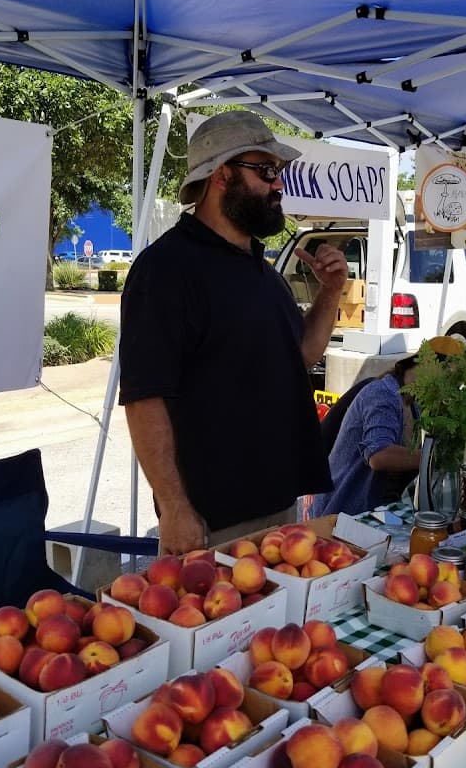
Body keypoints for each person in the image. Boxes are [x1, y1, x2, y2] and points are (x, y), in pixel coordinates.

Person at [118, 110, 348, 555]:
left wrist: (331, 293)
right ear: (222, 175)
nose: (278, 184)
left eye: (278, 172)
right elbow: (144, 398)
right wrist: (174, 507)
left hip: (278, 506)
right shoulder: (166, 269)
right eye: (265, 171)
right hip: (210, 521)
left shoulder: (262, 272)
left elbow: (300, 354)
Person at [311, 336, 464, 517]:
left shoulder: (414, 403)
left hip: (379, 513)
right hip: (344, 512)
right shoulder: (383, 394)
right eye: (448, 378)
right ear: (427, 364)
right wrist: (435, 459)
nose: (450, 388)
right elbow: (379, 455)